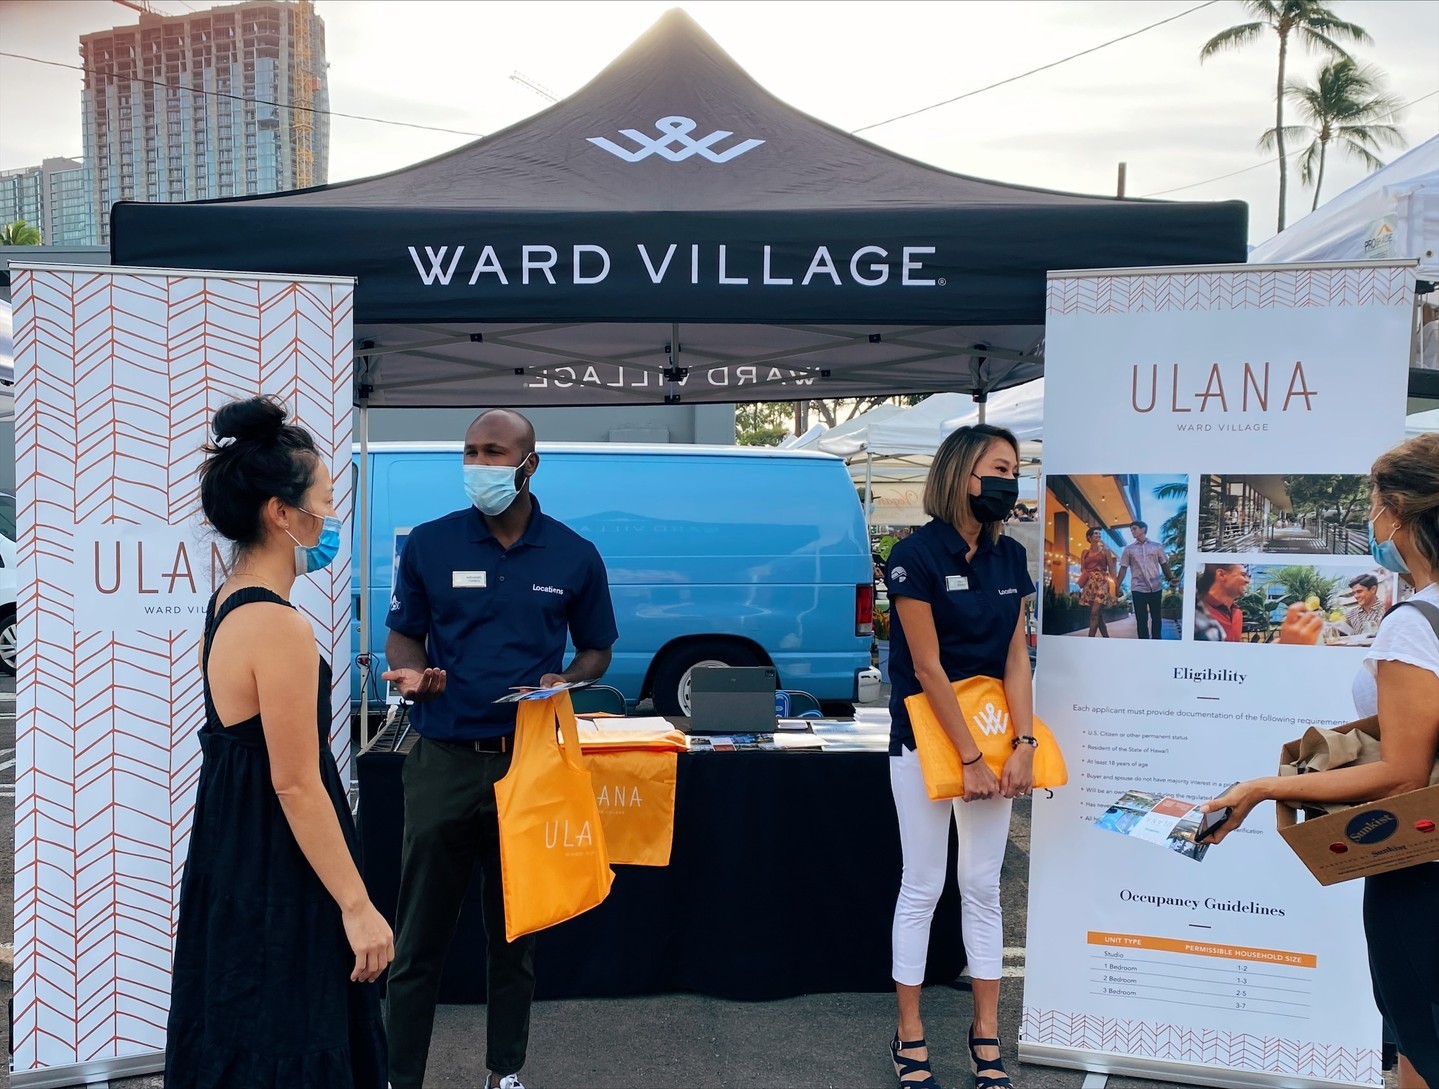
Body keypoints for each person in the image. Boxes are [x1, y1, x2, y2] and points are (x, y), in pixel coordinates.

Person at [382, 408, 619, 1089]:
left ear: (528, 463)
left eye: (493, 452)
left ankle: (504, 1072)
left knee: (514, 936)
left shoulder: (573, 554)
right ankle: (401, 1076)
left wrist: (567, 678)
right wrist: (411, 670)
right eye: (471, 452)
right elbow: (405, 633)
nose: (479, 465)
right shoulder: (429, 544)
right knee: (418, 939)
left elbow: (598, 648)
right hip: (443, 759)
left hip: (529, 767)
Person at [1200, 433, 1439, 1089]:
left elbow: (1402, 773)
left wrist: (1261, 786)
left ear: (1398, 510)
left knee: (1417, 1026)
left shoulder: (1414, 621)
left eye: (1371, 503)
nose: (1369, 520)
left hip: (1420, 867)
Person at [167, 396, 390, 1087]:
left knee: (239, 1033)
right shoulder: (279, 625)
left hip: (236, 858)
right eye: (323, 502)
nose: (331, 518)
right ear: (280, 512)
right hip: (276, 869)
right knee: (290, 1035)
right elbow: (296, 782)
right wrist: (358, 906)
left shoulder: (227, 599)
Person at [883, 424, 1036, 1089]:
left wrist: (1023, 745)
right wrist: (969, 756)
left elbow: (1016, 659)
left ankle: (985, 1032)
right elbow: (926, 665)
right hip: (924, 742)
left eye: (1016, 468)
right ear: (961, 474)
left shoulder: (1010, 558)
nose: (1012, 480)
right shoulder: (911, 555)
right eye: (1001, 467)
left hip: (996, 741)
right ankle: (909, 1031)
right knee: (923, 884)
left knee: (980, 885)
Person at [1115, 520, 1179, 640]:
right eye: (1131, 530)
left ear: (1143, 529)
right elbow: (1123, 569)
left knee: (1156, 617)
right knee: (1141, 619)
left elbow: (1164, 564)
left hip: (1156, 587)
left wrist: (1170, 578)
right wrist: (1117, 586)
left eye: (1134, 529)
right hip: (1138, 588)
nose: (1132, 532)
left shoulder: (1156, 547)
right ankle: (1143, 644)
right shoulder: (1129, 549)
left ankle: (1156, 641)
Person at [1194, 564, 1250, 642]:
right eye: (1243, 575)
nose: (1247, 581)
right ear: (1221, 575)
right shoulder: (1194, 612)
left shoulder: (1237, 613)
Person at [1078, 526, 1116, 638]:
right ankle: (1107, 639)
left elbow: (1112, 569)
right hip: (1089, 584)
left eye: (1099, 534)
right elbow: (1082, 568)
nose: (1098, 535)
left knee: (1094, 613)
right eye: (1096, 534)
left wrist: (1117, 586)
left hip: (1102, 582)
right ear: (1089, 537)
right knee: (1098, 616)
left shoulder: (1105, 551)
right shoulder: (1084, 552)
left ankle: (1090, 640)